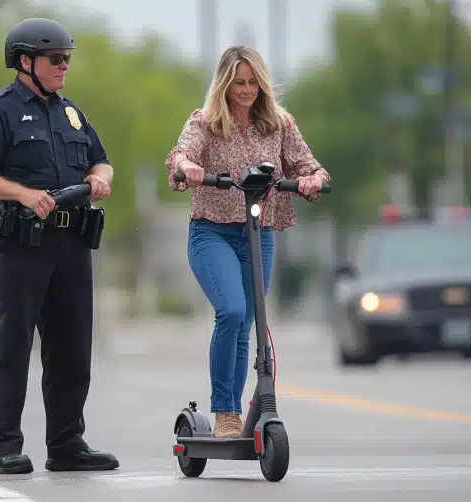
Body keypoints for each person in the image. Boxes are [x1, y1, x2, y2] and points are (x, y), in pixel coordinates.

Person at [0, 17, 119, 475]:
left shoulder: (71, 113)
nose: (64, 66)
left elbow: (101, 160)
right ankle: (5, 448)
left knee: (73, 347)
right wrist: (24, 194)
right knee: (13, 346)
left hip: (72, 241)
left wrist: (98, 179)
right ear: (25, 61)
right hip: (20, 243)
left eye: (67, 59)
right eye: (56, 59)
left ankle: (67, 444)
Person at [164, 45, 330, 439]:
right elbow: (180, 156)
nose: (246, 89)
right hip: (212, 232)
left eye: (253, 82)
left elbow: (312, 166)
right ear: (224, 83)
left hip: (258, 233)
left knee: (248, 324)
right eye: (238, 82)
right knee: (233, 312)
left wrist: (311, 180)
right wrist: (188, 168)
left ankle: (238, 412)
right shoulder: (205, 122)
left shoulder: (280, 124)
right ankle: (224, 411)